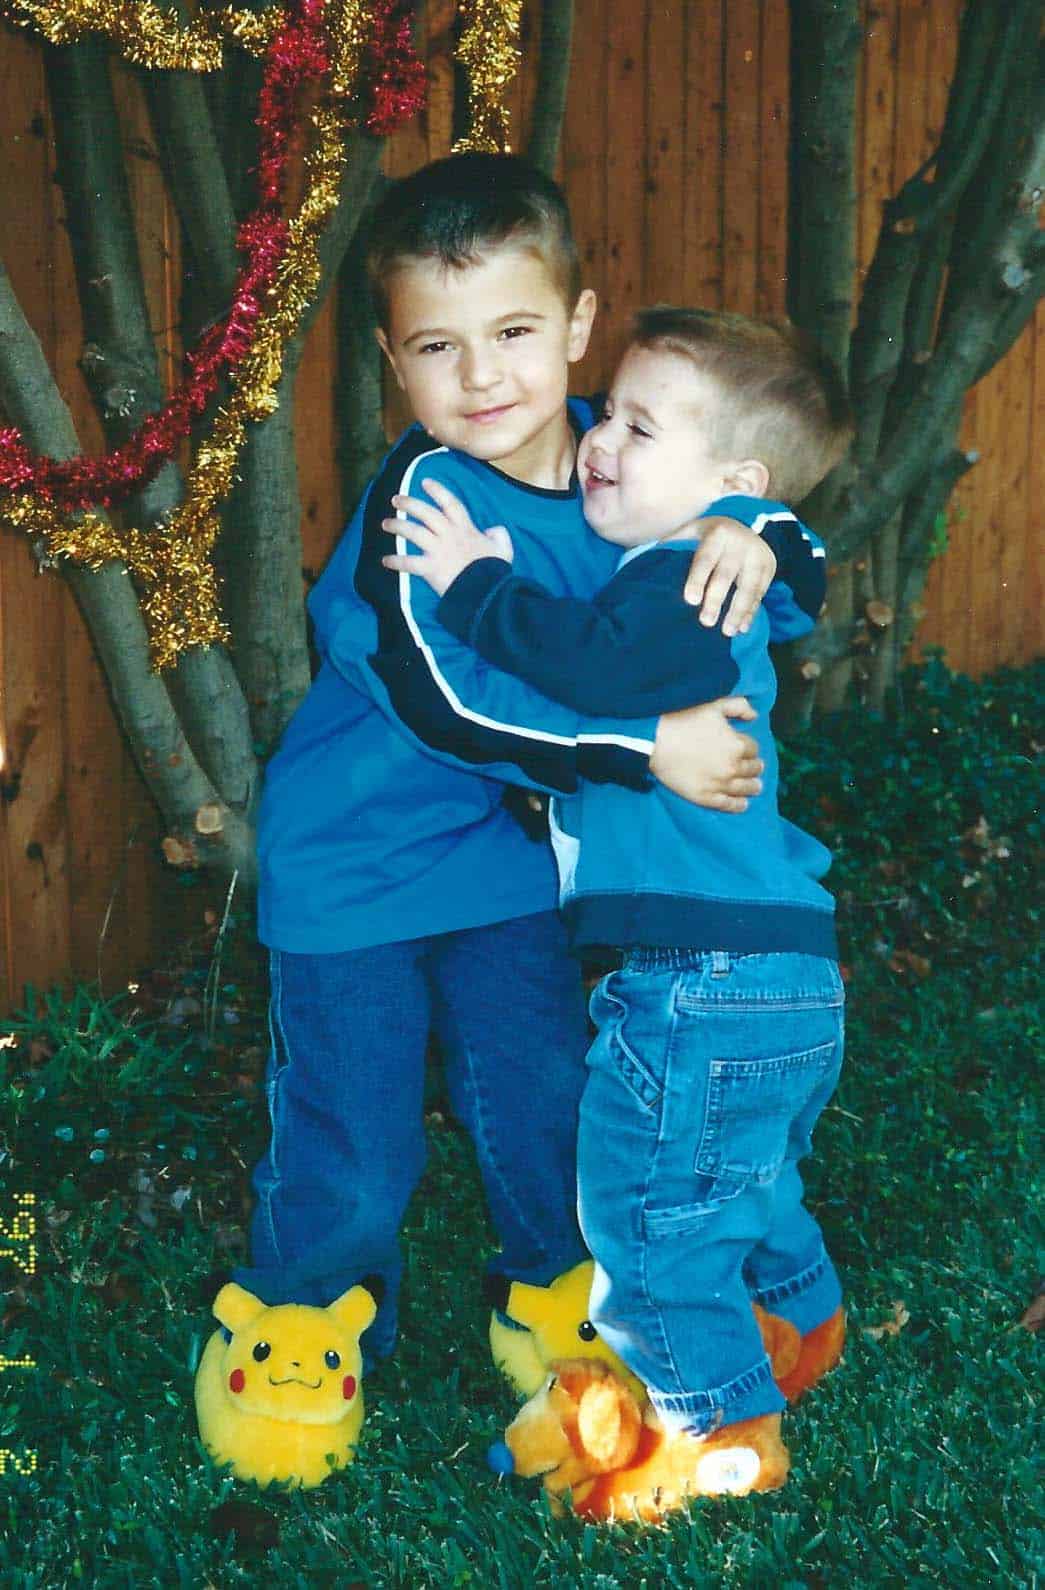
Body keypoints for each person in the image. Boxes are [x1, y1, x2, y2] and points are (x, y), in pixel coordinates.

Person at [235, 155, 823, 1376]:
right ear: (394, 367)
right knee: (357, 1128)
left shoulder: (630, 461)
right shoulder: (427, 504)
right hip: (357, 867)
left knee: (551, 1095)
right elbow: (449, 705)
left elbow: (751, 485)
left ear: (579, 329)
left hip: (511, 870)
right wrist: (643, 744)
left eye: (511, 331)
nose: (483, 375)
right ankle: (299, 1329)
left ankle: (555, 1301)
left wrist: (751, 531)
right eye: (437, 348)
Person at [383, 305, 854, 1489]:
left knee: (648, 1220)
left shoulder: (678, 581)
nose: (602, 437)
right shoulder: (720, 566)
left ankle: (717, 1439)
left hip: (701, 978)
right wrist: (762, 523)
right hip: (781, 975)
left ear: (730, 482)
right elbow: (781, 564)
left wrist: (475, 586)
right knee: (741, 1180)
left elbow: (593, 667)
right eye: (615, 411)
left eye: (642, 426)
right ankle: (801, 1325)